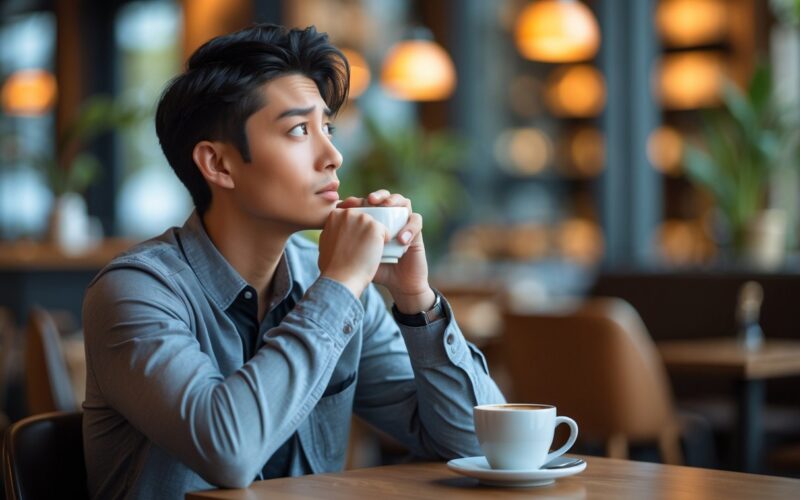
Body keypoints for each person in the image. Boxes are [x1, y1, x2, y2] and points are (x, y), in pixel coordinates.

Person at [82, 23, 504, 499]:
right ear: (218, 165)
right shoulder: (135, 292)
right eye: (299, 130)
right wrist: (341, 285)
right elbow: (228, 451)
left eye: (328, 127)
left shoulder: (326, 280)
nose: (333, 156)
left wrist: (414, 299)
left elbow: (478, 443)